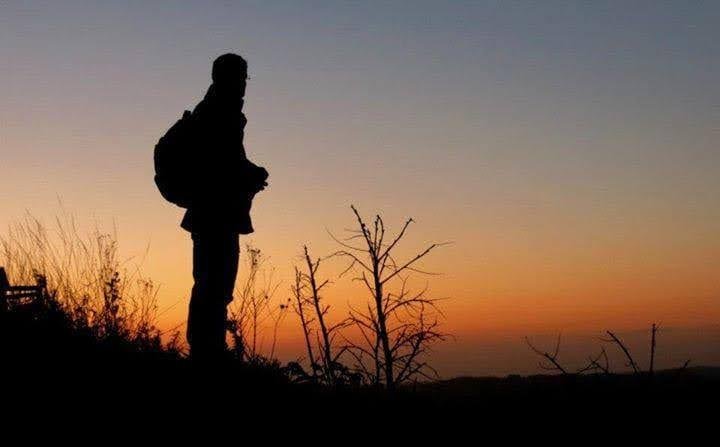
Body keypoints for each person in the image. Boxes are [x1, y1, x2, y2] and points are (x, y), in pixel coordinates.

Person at [182, 53, 268, 360]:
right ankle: (207, 355)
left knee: (212, 287)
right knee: (213, 288)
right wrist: (249, 175)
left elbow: (229, 162)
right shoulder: (218, 114)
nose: (243, 84)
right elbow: (221, 166)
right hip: (215, 215)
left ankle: (207, 351)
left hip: (214, 214)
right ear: (224, 78)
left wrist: (251, 173)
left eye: (245, 77)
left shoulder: (217, 111)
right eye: (240, 77)